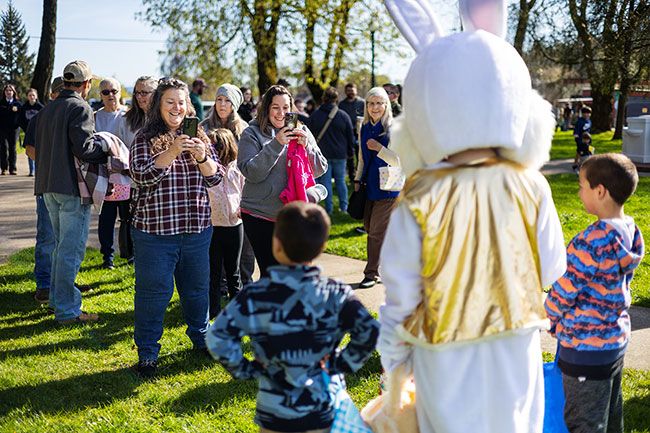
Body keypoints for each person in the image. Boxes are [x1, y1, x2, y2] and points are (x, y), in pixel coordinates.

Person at [378, 1, 569, 432]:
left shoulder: (420, 193)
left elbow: (400, 290)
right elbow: (553, 264)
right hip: (515, 344)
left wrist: (394, 359)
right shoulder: (529, 184)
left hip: (442, 351)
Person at [206, 201, 379, 433]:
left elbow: (218, 336)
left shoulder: (254, 296)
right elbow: (370, 331)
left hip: (275, 413)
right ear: (322, 246)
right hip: (323, 410)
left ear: (276, 244)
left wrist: (246, 369)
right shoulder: (335, 294)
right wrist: (341, 364)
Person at [129, 77, 223, 377]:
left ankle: (201, 338)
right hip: (154, 234)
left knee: (197, 291)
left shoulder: (201, 136)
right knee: (153, 294)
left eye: (181, 102)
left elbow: (217, 178)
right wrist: (170, 152)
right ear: (159, 104)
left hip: (196, 230)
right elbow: (141, 177)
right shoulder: (144, 138)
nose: (177, 107)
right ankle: (147, 353)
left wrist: (202, 156)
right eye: (170, 101)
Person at [545, 154, 644, 433]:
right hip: (614, 344)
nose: (578, 192)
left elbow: (565, 289)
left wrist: (548, 317)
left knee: (584, 423)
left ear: (600, 191)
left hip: (584, 351)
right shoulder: (631, 232)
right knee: (611, 416)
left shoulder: (591, 241)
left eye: (581, 185)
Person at [32, 60, 110, 324]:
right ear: (86, 84)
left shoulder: (48, 108)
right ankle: (67, 310)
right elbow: (84, 149)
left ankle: (57, 299)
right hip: (71, 188)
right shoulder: (80, 107)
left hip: (47, 186)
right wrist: (107, 149)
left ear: (65, 82)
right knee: (70, 250)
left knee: (58, 248)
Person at [238, 85, 327, 277]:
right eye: (275, 107)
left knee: (296, 273)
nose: (281, 113)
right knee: (272, 275)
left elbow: (320, 168)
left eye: (286, 107)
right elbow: (251, 172)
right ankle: (270, 306)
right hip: (259, 215)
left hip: (293, 218)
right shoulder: (251, 133)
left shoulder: (302, 130)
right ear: (266, 108)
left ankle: (290, 307)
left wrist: (308, 148)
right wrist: (276, 144)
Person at [200, 83, 256, 286]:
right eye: (219, 100)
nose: (222, 105)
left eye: (227, 101)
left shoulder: (244, 129)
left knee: (244, 241)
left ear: (234, 104)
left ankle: (246, 281)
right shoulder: (204, 127)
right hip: (211, 192)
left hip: (239, 189)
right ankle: (220, 284)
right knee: (215, 241)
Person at [354, 87, 400, 289]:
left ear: (386, 105)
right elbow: (362, 157)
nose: (375, 107)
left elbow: (400, 160)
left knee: (375, 231)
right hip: (369, 183)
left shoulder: (394, 128)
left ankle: (371, 274)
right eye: (370, 103)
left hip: (389, 186)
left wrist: (379, 149)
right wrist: (357, 179)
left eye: (379, 103)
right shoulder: (364, 127)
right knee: (371, 228)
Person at [206, 128, 245, 319]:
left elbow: (245, 190)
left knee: (233, 271)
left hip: (234, 225)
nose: (214, 149)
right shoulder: (206, 168)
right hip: (212, 225)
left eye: (218, 145)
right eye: (212, 145)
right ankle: (213, 311)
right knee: (213, 272)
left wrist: (243, 207)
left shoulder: (237, 167)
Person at [94, 77, 131, 269]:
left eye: (114, 91)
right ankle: (107, 256)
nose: (111, 95)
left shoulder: (128, 115)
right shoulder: (95, 117)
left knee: (128, 216)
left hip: (126, 173)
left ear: (120, 93)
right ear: (100, 95)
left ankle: (129, 253)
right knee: (106, 217)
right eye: (106, 92)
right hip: (105, 175)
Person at [307, 87, 355, 214]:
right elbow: (350, 136)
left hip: (322, 154)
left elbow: (309, 134)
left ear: (324, 98)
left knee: (326, 182)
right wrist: (350, 152)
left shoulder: (315, 115)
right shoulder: (343, 116)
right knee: (340, 181)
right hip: (340, 154)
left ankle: (329, 209)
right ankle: (344, 208)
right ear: (336, 99)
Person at [338, 83, 365, 182]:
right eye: (348, 91)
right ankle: (351, 177)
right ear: (345, 91)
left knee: (360, 155)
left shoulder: (362, 103)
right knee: (349, 155)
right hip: (346, 134)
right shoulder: (341, 104)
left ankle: (361, 177)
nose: (350, 93)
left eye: (352, 91)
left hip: (359, 132)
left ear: (356, 91)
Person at [124, 75, 158, 146]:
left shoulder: (167, 118)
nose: (139, 97)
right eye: (137, 93)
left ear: (156, 94)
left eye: (144, 93)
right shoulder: (126, 120)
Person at [18, 88, 44, 176]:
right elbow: (20, 120)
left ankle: (39, 170)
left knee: (39, 152)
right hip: (28, 132)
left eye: (33, 95)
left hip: (39, 133)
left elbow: (44, 121)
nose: (31, 97)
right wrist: (27, 129)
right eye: (30, 95)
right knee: (30, 151)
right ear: (27, 97)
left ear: (36, 96)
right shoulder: (24, 107)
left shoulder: (41, 108)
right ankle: (31, 170)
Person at [0, 84, 22, 175]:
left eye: (10, 90)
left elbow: (21, 116)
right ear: (4, 92)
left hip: (14, 129)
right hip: (2, 129)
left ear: (13, 92)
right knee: (3, 147)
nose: (8, 92)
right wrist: (9, 109)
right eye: (7, 90)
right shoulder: (1, 103)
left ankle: (12, 168)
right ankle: (4, 168)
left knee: (12, 148)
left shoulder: (18, 104)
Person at [572, 105, 592, 169]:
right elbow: (576, 130)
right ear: (582, 114)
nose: (587, 115)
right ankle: (577, 163)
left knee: (587, 149)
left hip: (587, 138)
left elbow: (589, 130)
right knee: (579, 150)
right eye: (585, 113)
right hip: (580, 139)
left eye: (588, 113)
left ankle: (587, 161)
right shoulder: (580, 121)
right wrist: (577, 137)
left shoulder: (589, 121)